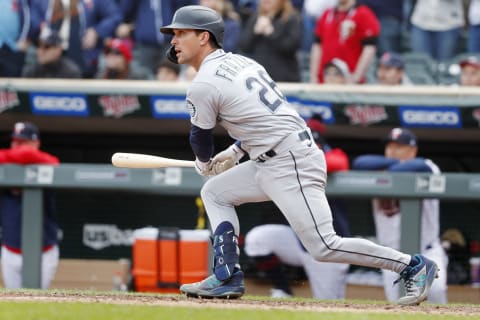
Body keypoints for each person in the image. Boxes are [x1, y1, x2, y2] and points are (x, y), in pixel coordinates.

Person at [160, 5, 439, 305]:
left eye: (181, 33)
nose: (174, 40)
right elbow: (264, 118)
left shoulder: (203, 84)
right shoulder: (243, 63)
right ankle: (227, 274)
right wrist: (235, 151)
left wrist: (204, 163)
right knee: (215, 192)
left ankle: (412, 265)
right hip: (275, 155)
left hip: (289, 160)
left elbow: (199, 138)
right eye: (173, 34)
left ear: (204, 38)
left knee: (323, 246)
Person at [244, 115, 351, 299]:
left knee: (329, 307)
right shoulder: (287, 157)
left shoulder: (333, 156)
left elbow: (340, 162)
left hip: (330, 248)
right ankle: (284, 290)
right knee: (258, 239)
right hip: (299, 241)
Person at [352, 128, 448, 304]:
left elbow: (420, 166)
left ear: (413, 150)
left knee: (437, 298)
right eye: (389, 146)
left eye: (399, 147)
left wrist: (390, 167)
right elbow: (359, 163)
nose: (392, 151)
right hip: (392, 256)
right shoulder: (377, 168)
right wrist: (393, 164)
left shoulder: (428, 166)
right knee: (401, 307)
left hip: (427, 252)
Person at [0, 122, 60, 289]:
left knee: (38, 300)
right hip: (11, 248)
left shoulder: (46, 162)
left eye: (23, 142)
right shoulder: (4, 166)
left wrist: (19, 155)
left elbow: (50, 161)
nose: (17, 146)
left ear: (36, 143)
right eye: (15, 142)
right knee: (14, 303)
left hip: (44, 250)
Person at [31, 0, 122, 78]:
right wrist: (41, 25)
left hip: (81, 54)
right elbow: (33, 13)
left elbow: (114, 16)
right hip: (51, 54)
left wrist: (96, 31)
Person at [116, 0, 195, 75]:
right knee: (143, 76)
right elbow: (126, 10)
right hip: (144, 44)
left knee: (169, 76)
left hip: (169, 42)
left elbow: (185, 5)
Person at [309, 0, 380, 83]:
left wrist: (356, 77)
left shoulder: (363, 13)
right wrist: (313, 76)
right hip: (325, 79)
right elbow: (317, 46)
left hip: (348, 79)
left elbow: (369, 48)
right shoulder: (327, 14)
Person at [238, 0, 303, 82]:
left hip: (284, 79)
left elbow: (291, 47)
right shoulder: (255, 18)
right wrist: (254, 32)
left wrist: (271, 33)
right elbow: (244, 46)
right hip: (260, 79)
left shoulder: (291, 18)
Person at [0, 0, 31, 77]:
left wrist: (25, 39)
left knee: (12, 84)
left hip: (14, 49)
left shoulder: (22, 2)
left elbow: (30, 18)